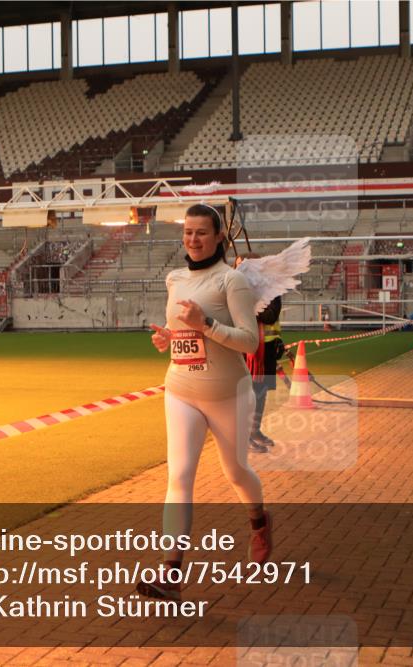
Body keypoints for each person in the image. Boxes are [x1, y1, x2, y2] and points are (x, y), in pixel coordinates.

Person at [142, 204, 272, 601]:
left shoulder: (232, 281)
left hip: (227, 393)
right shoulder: (174, 278)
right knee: (179, 476)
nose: (193, 239)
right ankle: (170, 570)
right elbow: (184, 336)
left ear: (219, 236)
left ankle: (259, 522)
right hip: (181, 388)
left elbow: (249, 341)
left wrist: (207, 325)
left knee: (236, 473)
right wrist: (168, 339)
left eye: (201, 232)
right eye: (187, 232)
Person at [235, 253, 283, 454]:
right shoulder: (234, 290)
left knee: (260, 395)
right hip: (244, 350)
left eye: (246, 267)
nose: (241, 271)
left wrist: (251, 301)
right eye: (238, 267)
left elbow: (271, 315)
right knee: (246, 395)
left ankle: (255, 432)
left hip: (266, 352)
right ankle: (242, 437)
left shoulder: (270, 291)